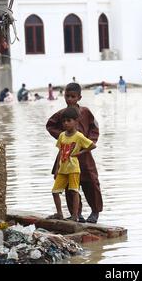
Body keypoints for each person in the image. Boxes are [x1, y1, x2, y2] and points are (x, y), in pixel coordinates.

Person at [46, 83, 103, 224]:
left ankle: (95, 212)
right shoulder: (62, 114)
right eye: (67, 96)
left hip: (84, 154)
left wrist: (88, 141)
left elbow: (94, 127)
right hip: (67, 155)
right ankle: (76, 214)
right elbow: (50, 125)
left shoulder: (86, 112)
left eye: (73, 97)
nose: (69, 99)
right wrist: (64, 136)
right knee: (69, 186)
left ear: (79, 97)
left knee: (91, 182)